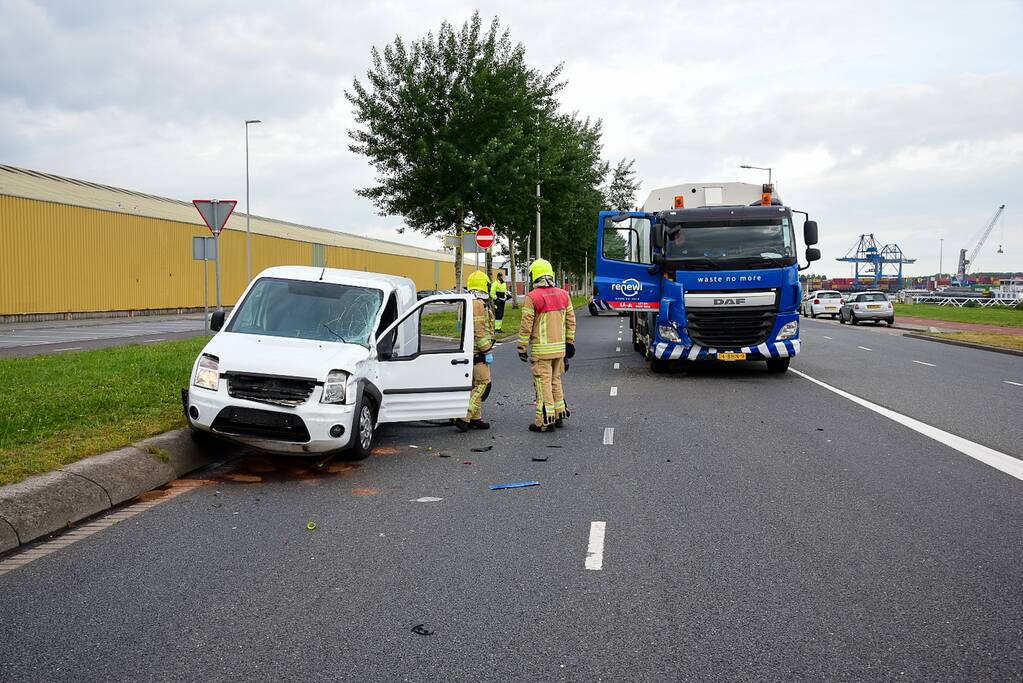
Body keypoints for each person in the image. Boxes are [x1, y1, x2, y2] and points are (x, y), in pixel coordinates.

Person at [517, 259, 576, 432]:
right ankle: (559, 414)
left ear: (534, 275)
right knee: (556, 381)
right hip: (560, 350)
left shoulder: (533, 297)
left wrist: (521, 347)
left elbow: (526, 325)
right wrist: (569, 343)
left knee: (543, 385)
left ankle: (544, 421)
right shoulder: (564, 295)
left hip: (542, 351)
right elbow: (571, 321)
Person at [454, 270, 495, 432]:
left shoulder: (469, 301)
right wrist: (487, 350)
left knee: (475, 384)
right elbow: (479, 330)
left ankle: (475, 418)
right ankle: (464, 415)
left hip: (472, 351)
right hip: (478, 352)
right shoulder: (477, 304)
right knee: (484, 384)